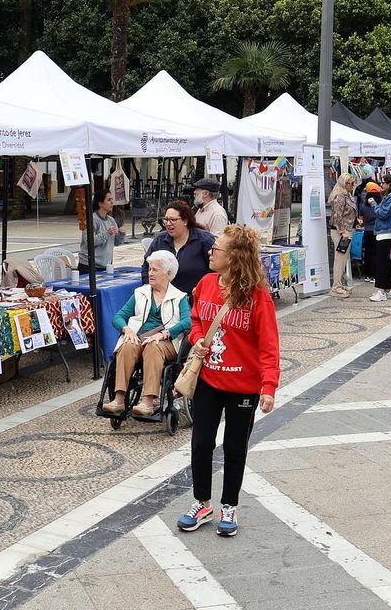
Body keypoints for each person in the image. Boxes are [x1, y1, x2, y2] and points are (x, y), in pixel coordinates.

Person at [178, 224, 279, 538]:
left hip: (243, 386)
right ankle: (202, 502)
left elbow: (268, 344)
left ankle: (230, 506)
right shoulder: (206, 284)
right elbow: (196, 318)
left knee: (235, 448)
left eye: (216, 249)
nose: (210, 252)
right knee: (201, 443)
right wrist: (196, 338)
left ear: (234, 257)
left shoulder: (257, 296)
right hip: (208, 379)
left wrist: (269, 386)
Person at [106, 250, 191, 417]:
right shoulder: (141, 293)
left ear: (168, 273)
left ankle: (148, 401)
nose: (150, 273)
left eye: (155, 270)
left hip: (166, 342)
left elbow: (188, 322)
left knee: (154, 346)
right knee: (127, 345)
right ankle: (119, 399)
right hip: (140, 337)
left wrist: (165, 333)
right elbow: (118, 317)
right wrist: (127, 329)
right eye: (150, 269)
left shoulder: (179, 297)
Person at [143, 200, 215, 294]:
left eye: (173, 220)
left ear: (185, 221)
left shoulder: (204, 240)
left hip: (194, 298)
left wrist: (204, 288)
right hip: (164, 298)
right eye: (166, 220)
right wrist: (147, 284)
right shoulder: (160, 240)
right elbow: (146, 265)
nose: (168, 224)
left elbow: (216, 270)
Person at [367, 175, 391, 302]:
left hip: (386, 232)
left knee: (382, 263)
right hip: (386, 232)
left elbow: (382, 214)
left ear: (390, 184)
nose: (381, 185)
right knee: (387, 263)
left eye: (383, 183)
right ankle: (386, 290)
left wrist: (373, 204)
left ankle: (381, 290)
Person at [328, 173, 358, 297]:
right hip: (341, 231)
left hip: (347, 229)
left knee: (343, 259)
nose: (353, 185)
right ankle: (336, 286)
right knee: (339, 260)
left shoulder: (347, 195)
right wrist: (342, 231)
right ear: (344, 184)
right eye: (351, 183)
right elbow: (337, 216)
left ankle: (339, 283)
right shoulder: (340, 196)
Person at [80, 188, 119, 273]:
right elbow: (89, 241)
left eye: (112, 200)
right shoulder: (92, 219)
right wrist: (107, 233)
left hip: (106, 264)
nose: (112, 203)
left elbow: (117, 242)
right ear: (101, 203)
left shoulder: (111, 220)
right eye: (109, 200)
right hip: (89, 265)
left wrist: (121, 235)